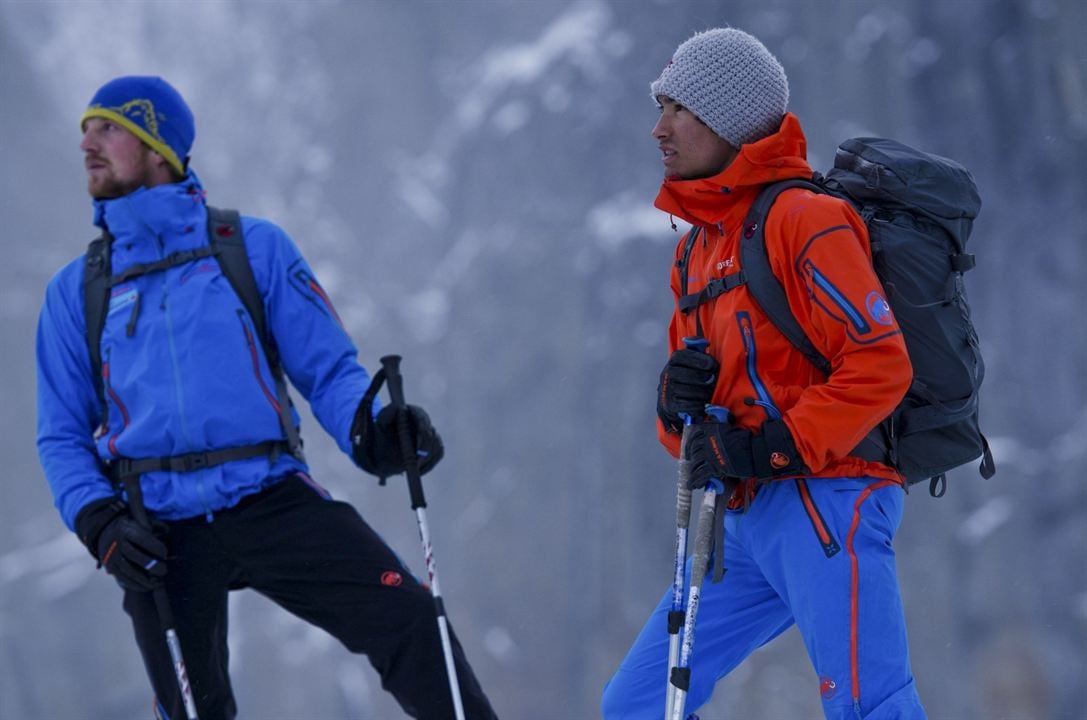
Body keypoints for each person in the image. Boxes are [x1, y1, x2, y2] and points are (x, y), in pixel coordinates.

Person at [36, 75, 497, 720]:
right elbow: (60, 434)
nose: (88, 141)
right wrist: (100, 523)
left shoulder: (252, 249)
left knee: (414, 624)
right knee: (194, 711)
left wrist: (375, 432)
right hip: (154, 529)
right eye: (85, 128)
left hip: (271, 497)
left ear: (160, 148)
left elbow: (330, 371)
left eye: (110, 127)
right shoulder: (75, 292)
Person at [601, 28, 927, 719]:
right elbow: (686, 440)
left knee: (870, 709)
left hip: (826, 501)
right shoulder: (696, 248)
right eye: (660, 107)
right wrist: (674, 406)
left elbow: (879, 364)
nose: (658, 128)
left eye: (677, 109)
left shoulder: (806, 220)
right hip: (740, 519)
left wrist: (773, 445)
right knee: (636, 705)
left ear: (727, 119)